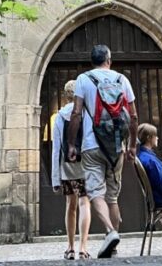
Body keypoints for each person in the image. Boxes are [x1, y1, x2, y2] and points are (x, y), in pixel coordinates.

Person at [67, 44, 138, 259]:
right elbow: (133, 116)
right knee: (113, 197)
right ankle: (113, 248)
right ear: (109, 59)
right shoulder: (121, 79)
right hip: (117, 145)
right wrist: (132, 145)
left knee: (95, 192)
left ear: (92, 61)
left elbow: (77, 113)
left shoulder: (83, 79)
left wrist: (71, 144)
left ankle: (110, 231)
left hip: (91, 144)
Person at [52, 79, 92, 259]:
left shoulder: (60, 116)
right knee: (85, 203)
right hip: (85, 165)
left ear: (65, 95)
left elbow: (56, 149)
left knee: (70, 205)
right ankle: (83, 247)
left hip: (67, 167)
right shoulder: (86, 114)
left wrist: (55, 178)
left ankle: (70, 247)